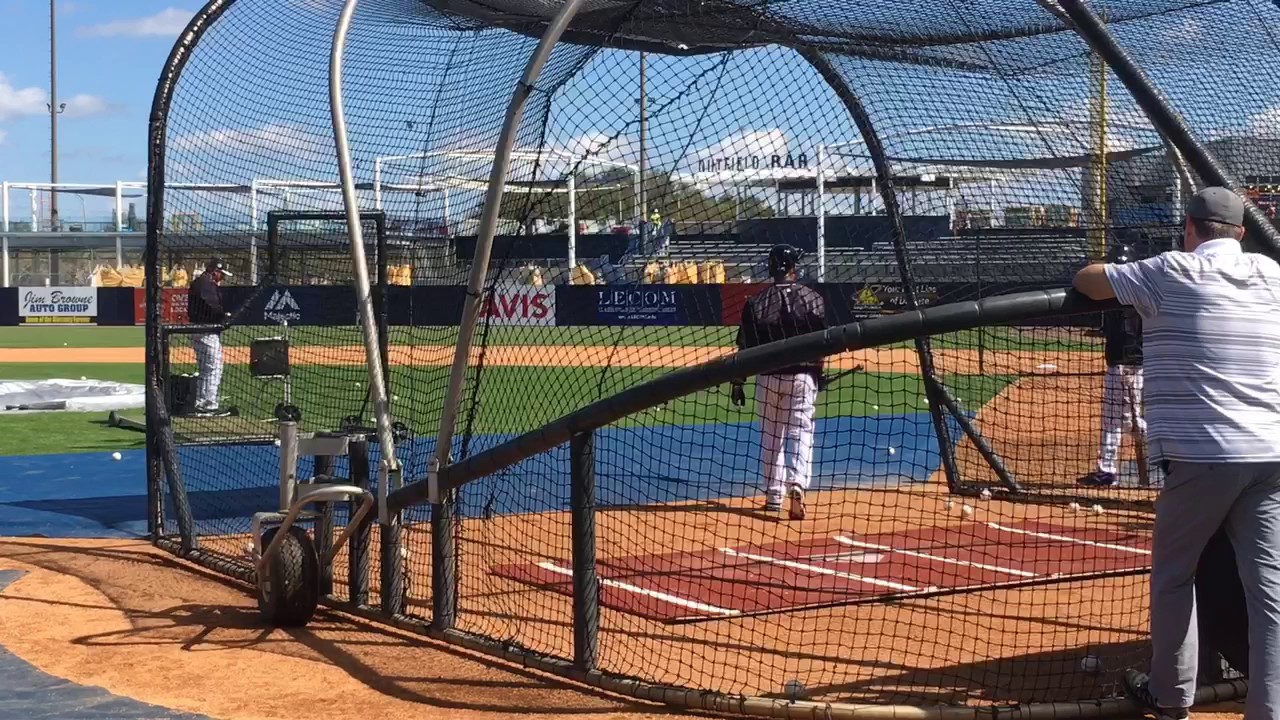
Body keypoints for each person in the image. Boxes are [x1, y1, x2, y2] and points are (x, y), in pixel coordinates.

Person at [1072, 187, 1280, 720]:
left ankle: (1171, 698)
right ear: (1240, 232)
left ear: (1190, 228)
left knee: (1173, 576)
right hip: (1272, 452)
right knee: (1268, 589)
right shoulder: (1272, 274)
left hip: (1202, 454)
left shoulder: (1170, 269)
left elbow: (1088, 281)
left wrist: (1111, 265)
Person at [731, 244, 827, 520]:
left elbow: (745, 349)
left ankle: (774, 496)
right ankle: (797, 484)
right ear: (794, 268)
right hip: (803, 377)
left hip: (768, 377)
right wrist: (819, 376)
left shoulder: (755, 303)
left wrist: (738, 382)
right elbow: (823, 344)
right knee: (801, 432)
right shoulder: (814, 299)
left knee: (771, 438)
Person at [1077, 243, 1147, 488]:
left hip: (1122, 365)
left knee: (1118, 420)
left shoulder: (1119, 295)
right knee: (1126, 420)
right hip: (1133, 365)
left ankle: (1107, 471)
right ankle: (1108, 470)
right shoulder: (1141, 292)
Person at [188, 258, 233, 415]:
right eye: (221, 274)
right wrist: (223, 316)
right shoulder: (205, 284)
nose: (223, 278)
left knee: (206, 368)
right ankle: (208, 404)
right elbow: (211, 306)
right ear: (215, 271)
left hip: (200, 330)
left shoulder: (201, 283)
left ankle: (201, 403)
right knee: (213, 367)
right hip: (206, 330)